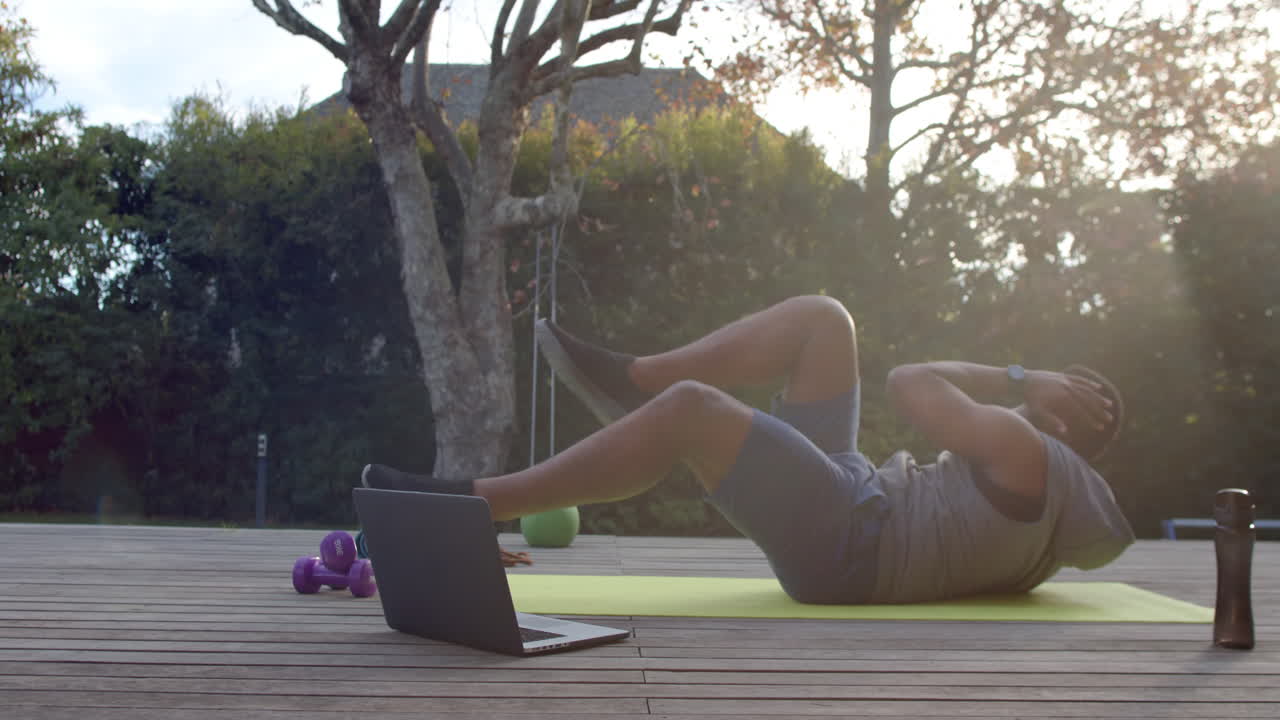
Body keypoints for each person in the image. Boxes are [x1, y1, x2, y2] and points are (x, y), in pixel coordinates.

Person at [362, 295, 1134, 603]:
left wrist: (1022, 373)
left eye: (1057, 391)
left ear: (1061, 420)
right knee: (826, 320)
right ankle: (636, 382)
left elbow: (911, 380)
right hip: (859, 497)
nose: (1036, 392)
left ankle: (469, 507)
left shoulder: (1027, 448)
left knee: (697, 412)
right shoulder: (1049, 497)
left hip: (852, 544)